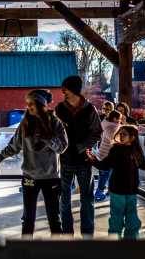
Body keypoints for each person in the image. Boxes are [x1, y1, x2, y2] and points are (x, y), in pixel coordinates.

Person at [0, 89, 68, 237]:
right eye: (28, 104)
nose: (29, 107)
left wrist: (46, 139)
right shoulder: (25, 124)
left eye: (32, 104)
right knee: (28, 218)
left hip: (50, 177)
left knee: (54, 218)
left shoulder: (55, 123)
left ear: (42, 105)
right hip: (30, 177)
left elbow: (63, 147)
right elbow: (13, 146)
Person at [55, 75, 102, 237]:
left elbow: (97, 132)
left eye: (65, 89)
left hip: (84, 161)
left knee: (87, 198)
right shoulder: (60, 109)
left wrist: (82, 147)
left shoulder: (90, 109)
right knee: (64, 198)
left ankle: (87, 234)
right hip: (65, 160)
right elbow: (54, 132)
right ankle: (67, 233)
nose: (63, 92)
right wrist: (60, 147)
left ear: (74, 89)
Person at [87, 125, 145, 239]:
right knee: (116, 217)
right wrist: (93, 160)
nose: (121, 135)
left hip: (132, 190)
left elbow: (143, 165)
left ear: (133, 137)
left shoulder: (136, 150)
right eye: (120, 133)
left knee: (132, 218)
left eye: (124, 134)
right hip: (117, 190)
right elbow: (105, 165)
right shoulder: (116, 149)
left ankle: (131, 240)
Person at [95, 110, 123, 202]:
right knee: (105, 175)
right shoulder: (112, 127)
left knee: (106, 174)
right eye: (119, 118)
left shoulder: (107, 125)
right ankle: (99, 193)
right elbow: (115, 140)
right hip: (107, 156)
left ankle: (106, 191)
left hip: (104, 154)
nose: (120, 120)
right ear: (114, 118)